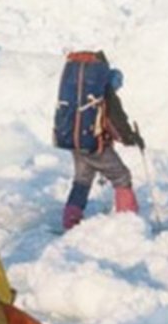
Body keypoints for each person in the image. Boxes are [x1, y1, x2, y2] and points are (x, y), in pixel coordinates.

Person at [56, 51, 144, 231]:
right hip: (95, 144)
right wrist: (130, 138)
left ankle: (70, 220)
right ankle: (128, 220)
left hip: (76, 140)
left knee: (82, 179)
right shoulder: (104, 93)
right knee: (122, 176)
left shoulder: (79, 92)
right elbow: (116, 121)